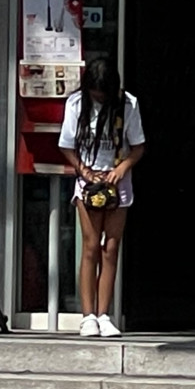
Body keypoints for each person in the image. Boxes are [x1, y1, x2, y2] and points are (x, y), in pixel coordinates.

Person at [57, 56, 144, 338]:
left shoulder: (128, 104)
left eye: (103, 93)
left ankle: (105, 314)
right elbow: (66, 145)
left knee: (111, 246)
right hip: (89, 183)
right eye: (95, 92)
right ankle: (88, 316)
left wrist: (122, 168)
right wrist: (83, 170)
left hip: (118, 182)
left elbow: (138, 146)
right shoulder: (76, 104)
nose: (99, 97)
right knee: (91, 245)